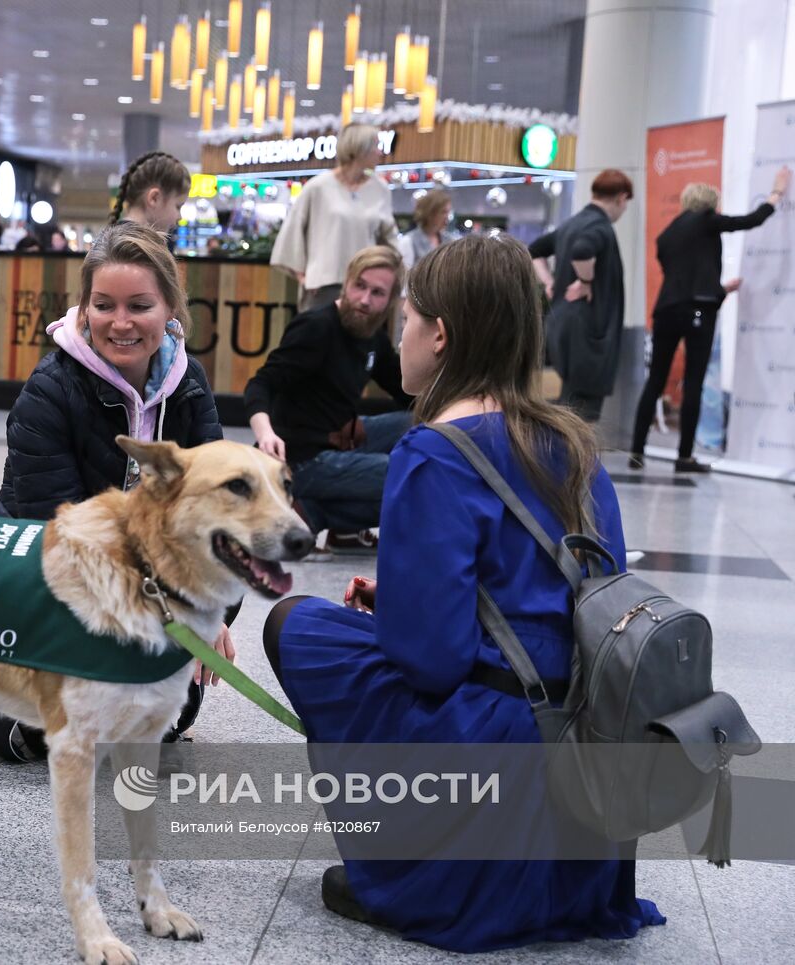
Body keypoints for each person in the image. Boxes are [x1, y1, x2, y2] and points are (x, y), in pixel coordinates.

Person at [262, 235, 664, 951]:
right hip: (584, 744)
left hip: (490, 742)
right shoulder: (575, 445)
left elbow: (432, 662)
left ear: (440, 334)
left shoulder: (432, 452)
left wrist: (409, 609)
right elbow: (584, 601)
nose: (402, 334)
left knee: (298, 625)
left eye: (408, 316)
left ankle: (411, 861)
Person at [0, 221, 232, 762]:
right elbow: (62, 541)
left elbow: (222, 516)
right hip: (43, 585)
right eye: (103, 305)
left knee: (173, 706)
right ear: (84, 308)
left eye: (139, 305)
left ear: (170, 310)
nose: (120, 323)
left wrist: (210, 618)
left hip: (144, 599)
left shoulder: (190, 385)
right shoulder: (49, 391)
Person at [245, 245, 413, 546]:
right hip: (301, 459)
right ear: (346, 283)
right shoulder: (316, 328)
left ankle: (317, 514)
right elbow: (261, 383)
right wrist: (265, 434)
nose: (364, 300)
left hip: (341, 438)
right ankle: (312, 511)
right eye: (359, 286)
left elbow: (404, 390)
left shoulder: (372, 335)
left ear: (390, 301)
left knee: (421, 422)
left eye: (377, 293)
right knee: (411, 476)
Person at [630, 166, 790, 472]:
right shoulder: (707, 221)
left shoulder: (668, 234)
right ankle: (684, 457)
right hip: (698, 313)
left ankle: (636, 453)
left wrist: (716, 289)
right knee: (694, 384)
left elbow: (679, 275)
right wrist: (777, 193)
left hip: (666, 311)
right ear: (709, 204)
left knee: (655, 382)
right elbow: (752, 220)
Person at [529, 169, 634, 422]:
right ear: (621, 198)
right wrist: (586, 281)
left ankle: (562, 460)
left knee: (570, 405)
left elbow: (534, 249)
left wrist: (549, 283)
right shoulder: (600, 227)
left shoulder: (572, 224)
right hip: (587, 331)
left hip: (565, 324)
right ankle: (568, 461)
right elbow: (582, 250)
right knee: (579, 415)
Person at [271, 124, 396, 311]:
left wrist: (394, 274)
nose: (381, 152)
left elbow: (389, 238)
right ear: (359, 148)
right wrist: (303, 277)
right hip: (323, 286)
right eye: (376, 145)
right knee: (316, 338)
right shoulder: (318, 187)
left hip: (365, 288)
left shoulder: (380, 190)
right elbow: (292, 232)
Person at [109, 150, 191, 232]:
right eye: (178, 206)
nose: (180, 217)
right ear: (154, 198)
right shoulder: (135, 243)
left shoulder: (114, 239)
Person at [396, 189, 456, 270]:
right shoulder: (408, 242)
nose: (447, 217)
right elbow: (405, 277)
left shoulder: (450, 241)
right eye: (443, 212)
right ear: (430, 213)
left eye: (448, 212)